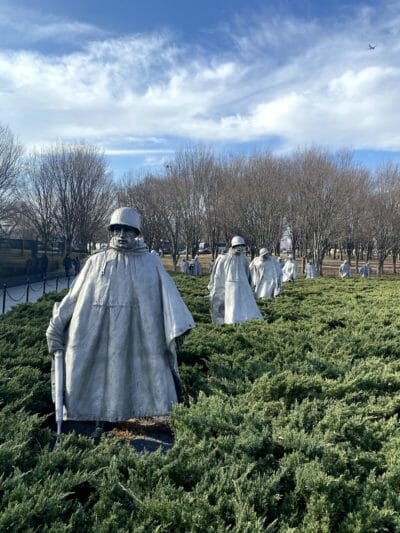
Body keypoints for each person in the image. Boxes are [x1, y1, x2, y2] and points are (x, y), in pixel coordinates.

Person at [46, 207, 195, 430]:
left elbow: (169, 297)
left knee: (136, 376)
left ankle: (130, 416)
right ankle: (96, 420)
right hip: (96, 332)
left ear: (136, 233)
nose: (122, 235)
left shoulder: (150, 262)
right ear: (111, 232)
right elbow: (74, 297)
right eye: (118, 230)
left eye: (128, 230)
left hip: (138, 335)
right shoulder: (96, 262)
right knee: (94, 377)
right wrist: (56, 325)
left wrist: (179, 326)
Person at [208, 235, 262, 325]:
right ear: (233, 246)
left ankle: (249, 321)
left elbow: (247, 273)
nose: (240, 248)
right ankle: (231, 322)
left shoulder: (244, 259)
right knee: (232, 306)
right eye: (238, 246)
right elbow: (218, 275)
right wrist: (216, 288)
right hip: (230, 286)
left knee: (246, 306)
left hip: (243, 285)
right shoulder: (224, 258)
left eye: (242, 246)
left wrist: (249, 285)